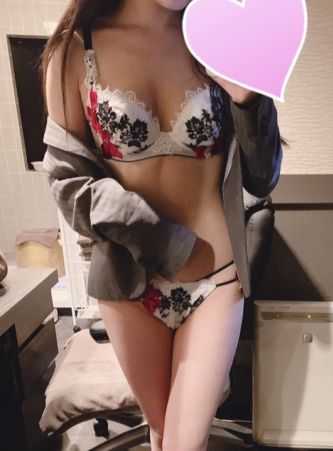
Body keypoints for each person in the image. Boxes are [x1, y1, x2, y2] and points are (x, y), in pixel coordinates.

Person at [41, 1, 284, 450]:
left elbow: (263, 177)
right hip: (129, 286)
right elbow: (68, 182)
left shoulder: (220, 37)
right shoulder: (75, 49)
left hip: (217, 280)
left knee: (183, 442)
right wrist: (161, 238)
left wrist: (250, 101)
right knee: (162, 432)